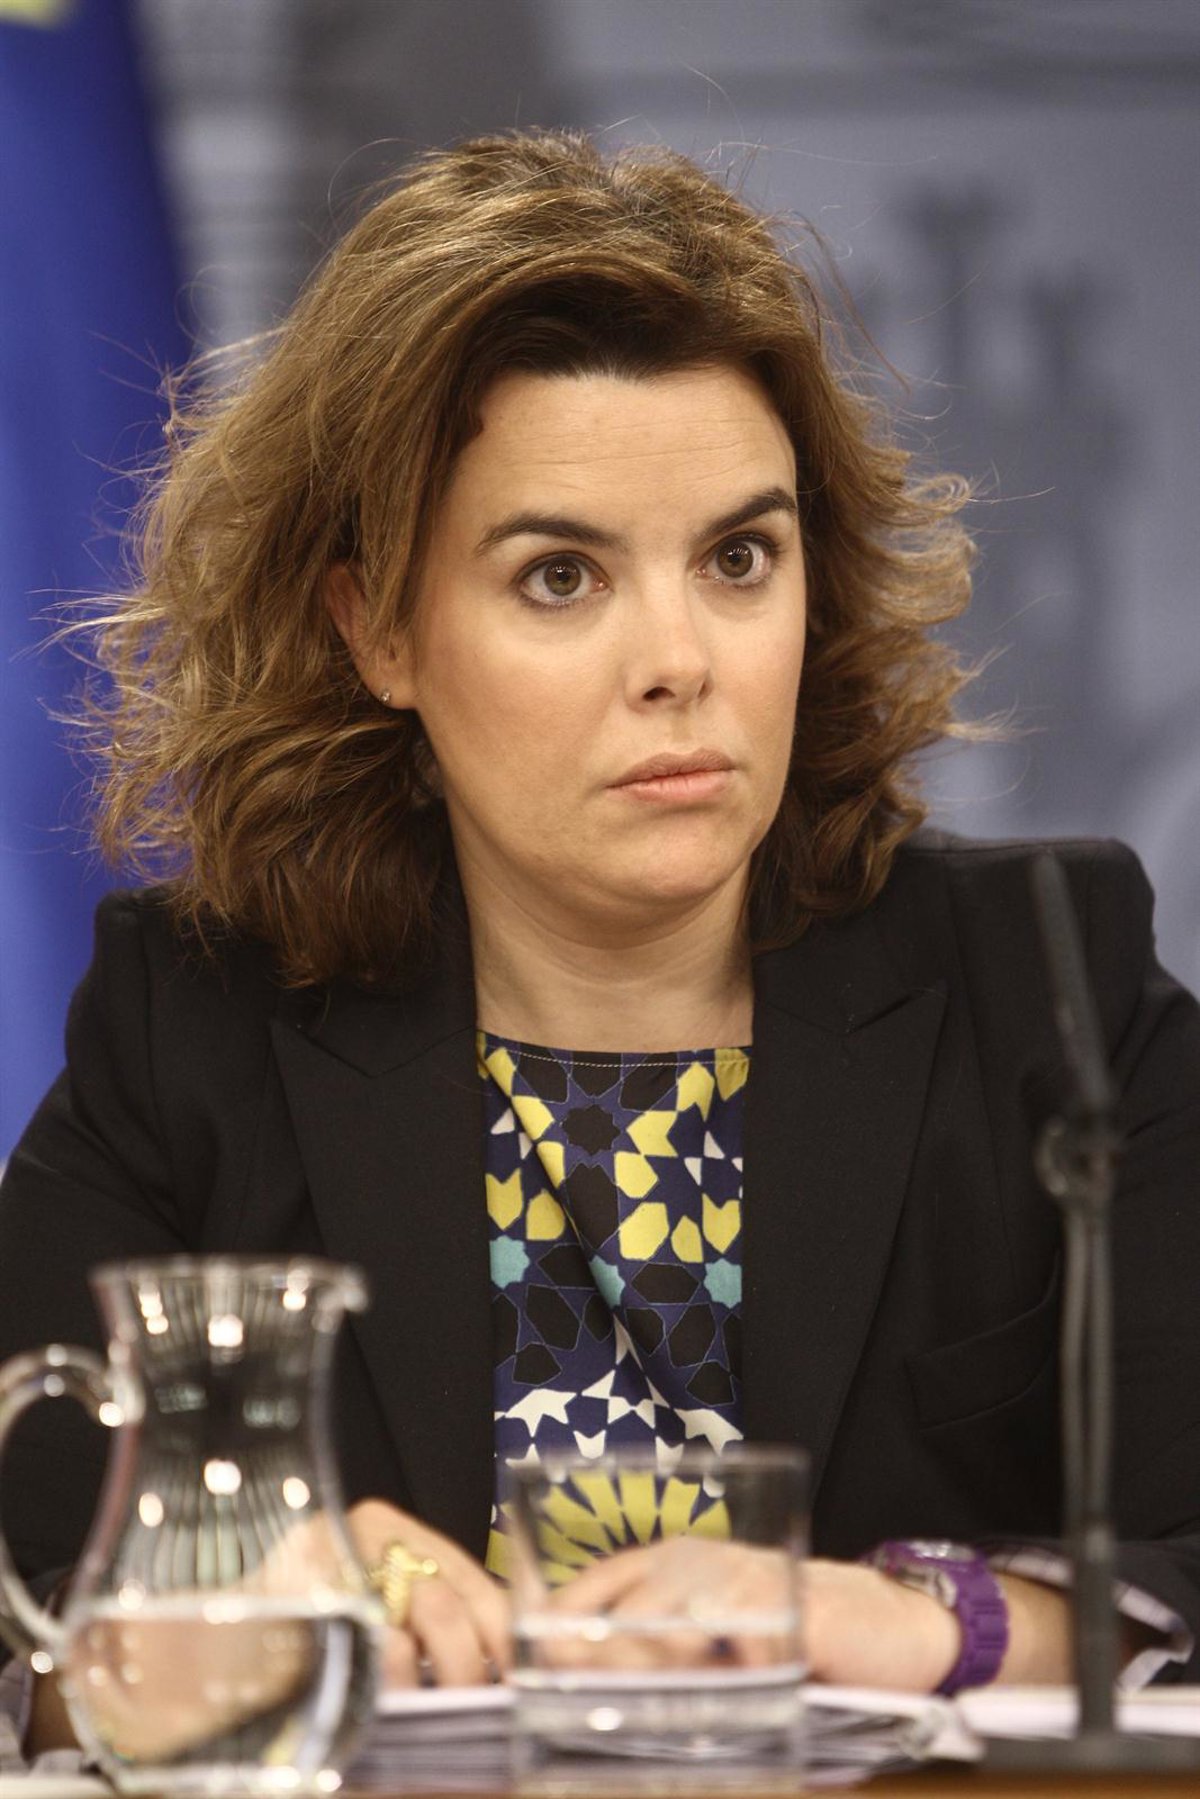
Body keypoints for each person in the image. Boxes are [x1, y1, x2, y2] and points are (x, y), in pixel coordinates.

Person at [0, 129, 1197, 1752]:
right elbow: (43, 1598)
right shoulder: (191, 1028)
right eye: (561, 576)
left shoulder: (1048, 988)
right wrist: (231, 1626)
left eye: (739, 559)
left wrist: (935, 1621)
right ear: (378, 628)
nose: (680, 660)